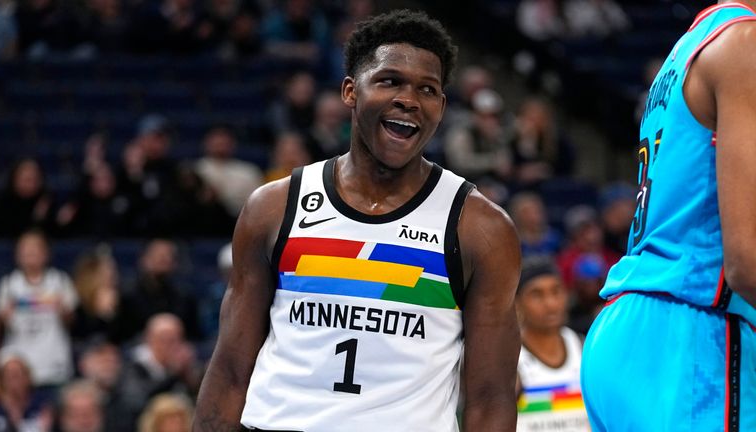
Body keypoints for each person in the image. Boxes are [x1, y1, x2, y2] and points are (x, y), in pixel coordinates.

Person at [194, 9, 521, 432]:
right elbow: (229, 370)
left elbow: (491, 397)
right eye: (390, 81)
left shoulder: (480, 228)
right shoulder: (274, 207)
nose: (409, 99)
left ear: (440, 107)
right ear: (350, 91)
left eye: (427, 89)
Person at [581, 2, 756, 431]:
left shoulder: (692, 46)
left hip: (636, 329)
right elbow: (747, 261)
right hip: (694, 341)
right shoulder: (745, 44)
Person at [0, 230, 78, 388]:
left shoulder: (60, 281)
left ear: (46, 253)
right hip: (20, 361)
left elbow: (72, 321)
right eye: (25, 249)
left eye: (35, 248)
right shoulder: (9, 284)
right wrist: (4, 317)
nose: (30, 253)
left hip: (54, 361)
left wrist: (63, 312)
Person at [515, 259, 588, 432]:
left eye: (556, 291)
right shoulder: (509, 360)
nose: (550, 303)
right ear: (517, 303)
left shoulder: (584, 347)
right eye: (536, 295)